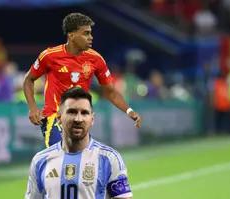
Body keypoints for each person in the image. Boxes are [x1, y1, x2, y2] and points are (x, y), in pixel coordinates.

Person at [23, 12, 142, 147]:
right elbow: (28, 80)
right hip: (54, 117)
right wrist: (32, 108)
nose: (90, 37)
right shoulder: (49, 56)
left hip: (80, 118)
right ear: (71, 35)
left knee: (79, 162)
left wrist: (129, 111)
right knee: (61, 157)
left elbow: (110, 92)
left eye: (90, 33)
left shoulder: (96, 59)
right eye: (86, 33)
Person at [25, 87, 133, 199]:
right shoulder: (40, 160)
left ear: (92, 119)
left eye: (84, 113)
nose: (78, 119)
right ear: (59, 118)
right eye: (72, 112)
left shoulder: (108, 159)